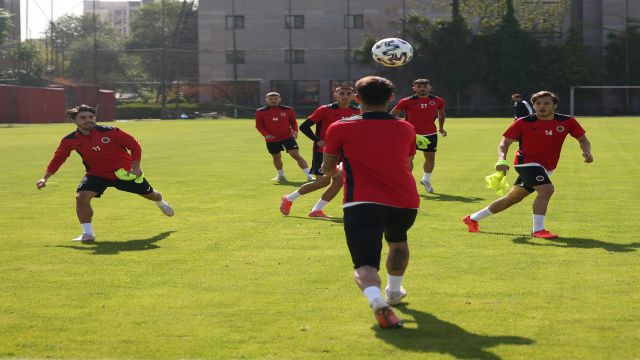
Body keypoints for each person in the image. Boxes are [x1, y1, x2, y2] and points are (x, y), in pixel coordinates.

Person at [322, 76, 419, 329]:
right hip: (406, 200)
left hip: (361, 201)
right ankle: (394, 293)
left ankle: (378, 302)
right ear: (390, 98)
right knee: (398, 242)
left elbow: (328, 167)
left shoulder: (340, 127)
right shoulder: (407, 128)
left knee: (365, 264)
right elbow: (408, 163)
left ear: (357, 98)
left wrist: (337, 171)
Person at [463, 91, 593, 238]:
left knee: (513, 198)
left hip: (547, 167)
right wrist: (501, 160)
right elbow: (504, 143)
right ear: (533, 105)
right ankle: (538, 230)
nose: (541, 106)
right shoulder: (523, 122)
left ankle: (472, 218)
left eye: (546, 103)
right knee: (547, 190)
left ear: (554, 105)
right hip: (526, 163)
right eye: (537, 104)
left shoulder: (567, 121)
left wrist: (587, 152)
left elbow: (583, 140)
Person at [36, 105, 174, 242]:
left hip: (124, 173)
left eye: (91, 117)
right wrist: (45, 178)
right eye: (83, 118)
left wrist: (136, 167)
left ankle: (161, 203)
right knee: (81, 197)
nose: (88, 120)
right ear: (74, 121)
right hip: (96, 174)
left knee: (151, 195)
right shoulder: (69, 140)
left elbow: (134, 146)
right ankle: (88, 234)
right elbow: (58, 158)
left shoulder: (111, 131)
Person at [280, 85, 360, 218]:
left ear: (353, 96)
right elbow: (304, 126)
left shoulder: (357, 112)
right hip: (324, 151)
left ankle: (316, 210)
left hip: (343, 152)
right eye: (341, 93)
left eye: (348, 93)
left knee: (339, 181)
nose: (344, 96)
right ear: (335, 95)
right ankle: (289, 199)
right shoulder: (325, 109)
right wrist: (317, 140)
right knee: (322, 182)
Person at [391, 78, 446, 193]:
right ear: (414, 88)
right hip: (411, 134)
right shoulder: (406, 101)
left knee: (430, 158)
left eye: (425, 86)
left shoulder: (438, 100)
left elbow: (441, 114)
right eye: (419, 86)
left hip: (430, 133)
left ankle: (426, 180)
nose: (422, 89)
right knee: (408, 159)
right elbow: (393, 114)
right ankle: (408, 183)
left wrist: (441, 127)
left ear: (430, 88)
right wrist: (400, 127)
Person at [255, 92, 314, 182]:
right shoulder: (260, 111)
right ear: (266, 100)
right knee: (276, 157)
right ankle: (280, 175)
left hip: (287, 137)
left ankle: (309, 175)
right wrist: (266, 135)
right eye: (270, 99)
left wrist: (295, 131)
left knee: (296, 155)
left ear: (279, 99)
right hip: (272, 139)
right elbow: (259, 126)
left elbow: (293, 123)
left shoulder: (288, 110)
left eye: (275, 99)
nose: (273, 101)